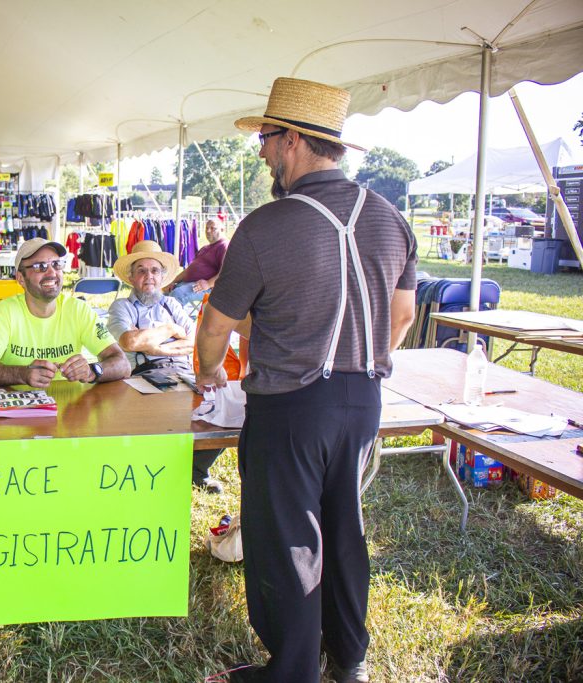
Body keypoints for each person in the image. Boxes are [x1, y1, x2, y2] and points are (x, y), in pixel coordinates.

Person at [195, 77, 417, 683]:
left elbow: (216, 324)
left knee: (286, 536)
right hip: (364, 398)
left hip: (291, 408)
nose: (262, 152)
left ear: (292, 140)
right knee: (345, 528)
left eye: (266, 139)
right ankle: (350, 660)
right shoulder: (391, 218)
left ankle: (291, 672)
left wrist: (210, 372)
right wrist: (361, 363)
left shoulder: (266, 226)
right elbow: (402, 317)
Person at [106, 240, 226, 493]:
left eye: (154, 271)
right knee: (168, 405)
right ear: (131, 277)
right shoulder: (122, 307)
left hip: (184, 370)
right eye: (141, 270)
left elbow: (194, 341)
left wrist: (153, 346)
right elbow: (130, 340)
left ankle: (196, 470)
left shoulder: (172, 304)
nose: (149, 276)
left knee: (222, 407)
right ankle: (160, 470)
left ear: (162, 276)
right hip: (145, 373)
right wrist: (170, 330)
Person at [0, 237, 130, 388]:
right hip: (18, 411)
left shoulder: (78, 310)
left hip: (71, 411)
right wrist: (22, 374)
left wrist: (92, 371)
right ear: (21, 278)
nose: (51, 273)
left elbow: (123, 364)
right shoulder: (6, 312)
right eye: (40, 267)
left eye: (57, 264)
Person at [163, 217, 228, 307]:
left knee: (177, 295)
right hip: (189, 283)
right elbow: (188, 270)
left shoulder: (224, 246)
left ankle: (175, 320)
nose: (208, 231)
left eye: (212, 228)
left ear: (222, 229)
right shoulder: (205, 248)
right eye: (206, 228)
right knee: (163, 294)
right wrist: (172, 281)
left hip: (207, 288)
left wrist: (208, 283)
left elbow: (225, 273)